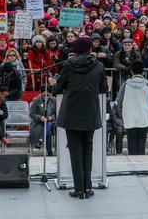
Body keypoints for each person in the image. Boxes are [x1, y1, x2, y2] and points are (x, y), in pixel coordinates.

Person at [53, 36, 108, 199]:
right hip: (90, 112)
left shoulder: (68, 65)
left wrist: (54, 85)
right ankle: (88, 188)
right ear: (90, 50)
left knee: (75, 151)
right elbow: (104, 88)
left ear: (75, 51)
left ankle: (79, 189)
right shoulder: (99, 66)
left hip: (72, 113)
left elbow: (58, 88)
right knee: (88, 150)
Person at [116, 60, 148, 155]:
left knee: (131, 142)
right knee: (142, 142)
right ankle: (141, 166)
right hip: (144, 117)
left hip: (129, 117)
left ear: (132, 72)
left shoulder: (125, 85)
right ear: (143, 72)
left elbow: (119, 101)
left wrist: (122, 111)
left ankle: (133, 166)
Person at [29, 85, 56, 156]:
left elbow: (56, 113)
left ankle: (40, 141)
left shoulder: (54, 100)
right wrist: (40, 118)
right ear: (41, 93)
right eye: (44, 95)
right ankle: (49, 151)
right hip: (38, 123)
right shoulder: (36, 100)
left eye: (48, 95)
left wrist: (51, 117)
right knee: (49, 132)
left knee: (49, 125)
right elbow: (32, 114)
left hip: (50, 122)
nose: (46, 97)